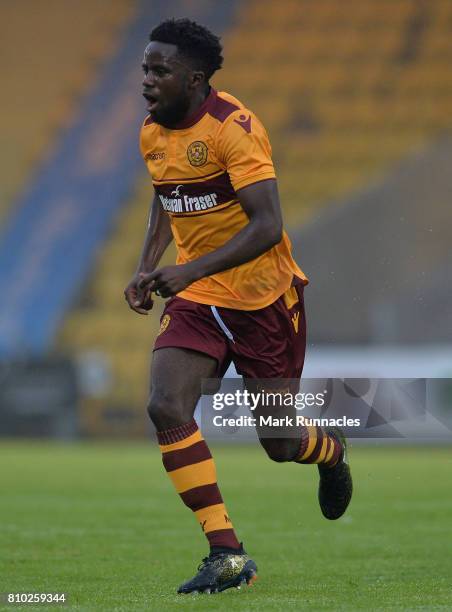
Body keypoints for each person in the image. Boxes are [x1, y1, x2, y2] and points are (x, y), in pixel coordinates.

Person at [124, 18, 352, 595]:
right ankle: (226, 552)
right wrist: (148, 265)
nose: (146, 79)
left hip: (263, 299)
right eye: (145, 68)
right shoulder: (152, 130)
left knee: (279, 444)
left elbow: (268, 225)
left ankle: (328, 452)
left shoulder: (235, 128)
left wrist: (187, 267)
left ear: (195, 77)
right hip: (200, 300)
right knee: (165, 404)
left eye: (159, 69)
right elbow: (165, 196)